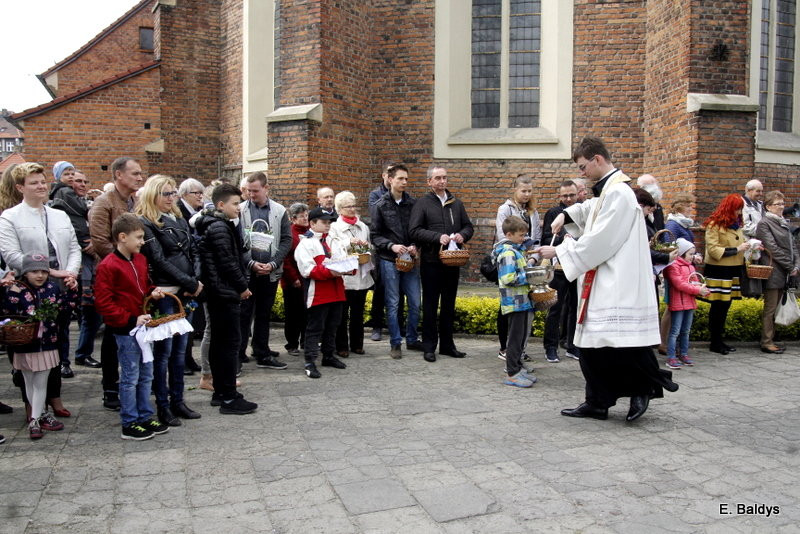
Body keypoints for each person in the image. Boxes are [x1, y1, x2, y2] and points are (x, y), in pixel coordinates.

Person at [539, 136, 677, 422]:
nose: (581, 173)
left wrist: (559, 250)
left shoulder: (619, 194)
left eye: (582, 166)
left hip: (617, 282)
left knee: (624, 346)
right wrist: (565, 214)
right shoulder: (609, 192)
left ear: (597, 159)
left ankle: (645, 388)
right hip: (603, 279)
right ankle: (598, 401)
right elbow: (591, 210)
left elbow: (602, 240)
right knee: (591, 346)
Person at [0, 162, 80, 417]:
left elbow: (75, 247)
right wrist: (48, 270)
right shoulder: (10, 217)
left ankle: (54, 396)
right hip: (27, 295)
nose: (41, 186)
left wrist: (71, 273)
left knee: (56, 345)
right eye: (34, 182)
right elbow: (11, 255)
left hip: (59, 290)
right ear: (20, 187)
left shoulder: (59, 214)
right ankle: (31, 404)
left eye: (42, 181)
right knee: (26, 346)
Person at [94, 214, 169, 440]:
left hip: (143, 326)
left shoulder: (140, 260)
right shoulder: (109, 265)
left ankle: (145, 415)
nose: (142, 242)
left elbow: (143, 286)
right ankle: (129, 421)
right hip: (126, 329)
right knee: (130, 376)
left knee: (147, 373)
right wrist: (128, 319)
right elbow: (104, 302)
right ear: (122, 237)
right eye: (138, 237)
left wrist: (152, 292)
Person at [135, 176, 203, 426]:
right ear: (152, 194)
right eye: (165, 193)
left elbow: (193, 250)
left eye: (172, 193)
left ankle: (178, 400)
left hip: (185, 292)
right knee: (163, 353)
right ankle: (163, 405)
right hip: (165, 294)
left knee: (180, 352)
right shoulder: (146, 221)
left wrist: (194, 281)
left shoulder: (178, 218)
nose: (170, 198)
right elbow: (158, 259)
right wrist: (190, 282)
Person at [195, 184, 258, 414]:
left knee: (222, 343)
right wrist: (242, 287)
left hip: (219, 292)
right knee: (229, 344)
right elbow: (228, 262)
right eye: (234, 203)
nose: (239, 208)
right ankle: (228, 397)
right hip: (223, 293)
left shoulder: (218, 224)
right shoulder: (219, 227)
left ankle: (221, 392)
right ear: (221, 205)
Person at [2, 253, 76, 439]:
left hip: (48, 344)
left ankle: (34, 420)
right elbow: (7, 312)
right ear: (25, 272)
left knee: (41, 383)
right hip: (24, 344)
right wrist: (6, 289)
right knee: (28, 382)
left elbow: (64, 308)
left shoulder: (51, 288)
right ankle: (40, 415)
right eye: (34, 271)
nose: (40, 275)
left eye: (43, 271)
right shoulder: (17, 289)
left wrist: (72, 291)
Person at [89, 157, 144, 410]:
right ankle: (110, 387)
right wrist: (124, 255)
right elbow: (100, 241)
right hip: (115, 273)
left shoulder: (135, 201)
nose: (140, 178)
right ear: (118, 175)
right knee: (113, 335)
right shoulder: (104, 203)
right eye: (134, 173)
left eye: (140, 174)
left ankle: (132, 384)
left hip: (134, 271)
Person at [409, 165, 474, 363]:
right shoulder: (422, 203)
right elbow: (414, 231)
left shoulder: (457, 203)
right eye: (437, 178)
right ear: (429, 182)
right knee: (430, 305)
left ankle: (447, 346)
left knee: (449, 305)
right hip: (431, 262)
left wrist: (462, 235)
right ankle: (429, 347)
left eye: (444, 177)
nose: (442, 181)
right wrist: (438, 237)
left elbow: (468, 226)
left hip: (452, 262)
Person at [238, 172, 291, 370]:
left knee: (263, 313)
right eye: (248, 191)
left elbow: (286, 239)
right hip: (247, 272)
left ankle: (261, 351)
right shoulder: (240, 210)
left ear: (266, 188)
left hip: (270, 272)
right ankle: (239, 352)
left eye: (255, 191)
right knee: (244, 313)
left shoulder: (279, 210)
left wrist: (274, 263)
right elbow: (235, 243)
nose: (251, 195)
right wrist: (250, 263)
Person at [51, 169, 101, 369]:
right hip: (73, 267)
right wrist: (83, 243)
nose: (81, 184)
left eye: (85, 181)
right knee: (65, 316)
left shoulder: (88, 206)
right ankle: (62, 361)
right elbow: (65, 234)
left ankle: (83, 354)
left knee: (91, 313)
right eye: (77, 181)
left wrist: (95, 243)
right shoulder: (62, 206)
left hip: (91, 265)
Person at [370, 163, 422, 359]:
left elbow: (418, 230)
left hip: (410, 259)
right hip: (389, 260)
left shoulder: (413, 203)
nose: (404, 182)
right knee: (392, 303)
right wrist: (391, 246)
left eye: (406, 179)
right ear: (390, 179)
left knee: (416, 302)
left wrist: (415, 245)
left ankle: (411, 339)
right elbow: (375, 235)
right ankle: (395, 343)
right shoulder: (380, 205)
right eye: (400, 178)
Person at [294, 207, 348, 378]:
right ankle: (310, 361)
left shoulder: (332, 240)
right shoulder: (306, 243)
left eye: (329, 222)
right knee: (315, 328)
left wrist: (351, 266)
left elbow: (343, 260)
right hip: (318, 293)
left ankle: (328, 356)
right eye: (324, 222)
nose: (328, 225)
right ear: (312, 223)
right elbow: (308, 270)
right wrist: (331, 271)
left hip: (337, 291)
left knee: (333, 326)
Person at [494, 174, 541, 361]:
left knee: (524, 306)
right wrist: (518, 253)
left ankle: (520, 348)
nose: (527, 194)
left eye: (530, 191)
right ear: (515, 189)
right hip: (511, 259)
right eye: (523, 191)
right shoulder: (504, 209)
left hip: (527, 261)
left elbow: (536, 238)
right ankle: (506, 348)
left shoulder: (533, 212)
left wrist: (533, 260)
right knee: (507, 306)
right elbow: (502, 235)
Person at [701, 194, 750, 355]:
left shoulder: (737, 224)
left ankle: (720, 340)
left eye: (741, 209)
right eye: (737, 208)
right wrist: (738, 249)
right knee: (718, 307)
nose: (739, 212)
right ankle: (715, 342)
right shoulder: (714, 225)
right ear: (729, 208)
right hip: (718, 270)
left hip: (733, 268)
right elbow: (713, 250)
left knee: (726, 306)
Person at [494, 216, 537, 388]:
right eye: (521, 235)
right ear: (509, 234)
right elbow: (508, 278)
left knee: (520, 338)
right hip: (514, 302)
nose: (524, 238)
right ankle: (512, 373)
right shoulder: (508, 253)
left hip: (522, 301)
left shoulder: (516, 250)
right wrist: (530, 276)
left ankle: (518, 368)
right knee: (514, 338)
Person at [330, 191, 374, 357]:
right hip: (345, 275)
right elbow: (333, 248)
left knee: (358, 312)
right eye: (348, 206)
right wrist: (349, 242)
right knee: (342, 314)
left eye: (354, 205)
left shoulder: (363, 226)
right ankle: (341, 346)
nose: (352, 209)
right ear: (340, 209)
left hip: (361, 274)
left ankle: (357, 344)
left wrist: (366, 245)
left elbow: (370, 247)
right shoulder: (334, 227)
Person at [541, 180, 580, 363]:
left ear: (577, 194)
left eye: (572, 195)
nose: (569, 199)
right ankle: (550, 347)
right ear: (559, 196)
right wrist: (563, 240)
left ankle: (572, 346)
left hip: (579, 267)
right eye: (565, 195)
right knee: (555, 308)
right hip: (559, 268)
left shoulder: (582, 211)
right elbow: (546, 239)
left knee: (575, 308)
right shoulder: (554, 213)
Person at [755, 191, 799, 354]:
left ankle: (773, 337)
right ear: (768, 206)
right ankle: (766, 341)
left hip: (787, 271)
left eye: (782, 204)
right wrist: (790, 266)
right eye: (777, 204)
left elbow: (793, 246)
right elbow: (772, 248)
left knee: (778, 306)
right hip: (773, 270)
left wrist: (796, 265)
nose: (781, 207)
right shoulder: (764, 223)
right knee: (771, 308)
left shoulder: (784, 223)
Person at [663, 239, 709, 369]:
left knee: (686, 331)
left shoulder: (691, 267)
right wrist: (697, 289)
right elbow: (680, 284)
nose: (692, 257)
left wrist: (702, 289)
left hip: (689, 302)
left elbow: (693, 281)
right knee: (675, 331)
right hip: (678, 303)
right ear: (682, 253)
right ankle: (671, 357)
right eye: (690, 254)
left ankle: (683, 353)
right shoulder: (673, 266)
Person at [176, 177, 206, 375]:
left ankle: (188, 358)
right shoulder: (180, 212)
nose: (201, 197)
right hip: (183, 278)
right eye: (197, 193)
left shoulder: (196, 213)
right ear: (185, 194)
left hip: (193, 276)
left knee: (190, 320)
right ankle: (182, 361)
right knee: (182, 321)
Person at [366, 163, 394, 341]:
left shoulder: (403, 196)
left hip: (397, 248)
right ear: (383, 175)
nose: (392, 177)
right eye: (389, 174)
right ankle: (376, 325)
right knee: (380, 288)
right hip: (381, 248)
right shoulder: (376, 195)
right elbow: (377, 212)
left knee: (397, 291)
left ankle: (396, 326)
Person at [281, 203, 309, 356]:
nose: (305, 218)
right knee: (293, 314)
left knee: (306, 312)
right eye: (302, 216)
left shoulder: (310, 232)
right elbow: (285, 259)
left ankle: (306, 340)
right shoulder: (290, 233)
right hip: (292, 281)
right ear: (293, 219)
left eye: (306, 215)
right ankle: (291, 343)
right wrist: (293, 278)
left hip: (307, 278)